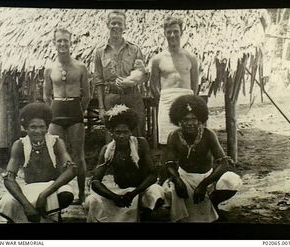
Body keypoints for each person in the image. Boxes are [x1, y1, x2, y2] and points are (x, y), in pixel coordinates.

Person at [162, 95, 242, 222]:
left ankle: (213, 204)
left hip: (207, 178)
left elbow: (224, 163)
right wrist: (177, 180)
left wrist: (204, 184)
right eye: (185, 119)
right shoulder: (174, 136)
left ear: (200, 119)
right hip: (185, 179)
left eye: (193, 119)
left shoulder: (208, 134)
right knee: (168, 190)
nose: (189, 123)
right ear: (179, 121)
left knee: (231, 181)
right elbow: (169, 163)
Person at [84, 105, 165, 222]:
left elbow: (153, 175)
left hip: (142, 189)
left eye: (125, 132)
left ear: (130, 131)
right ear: (111, 132)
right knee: (92, 201)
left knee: (155, 193)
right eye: (118, 132)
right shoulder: (107, 150)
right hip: (121, 193)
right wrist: (114, 197)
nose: (122, 136)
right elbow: (96, 181)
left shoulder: (141, 144)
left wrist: (134, 193)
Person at [0, 103, 77, 223]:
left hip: (52, 186)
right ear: (26, 128)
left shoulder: (56, 142)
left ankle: (51, 216)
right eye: (33, 127)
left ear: (47, 128)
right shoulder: (19, 145)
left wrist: (44, 195)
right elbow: (8, 178)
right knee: (8, 202)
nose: (38, 131)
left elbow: (71, 170)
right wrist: (26, 205)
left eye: (42, 127)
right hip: (30, 187)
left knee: (66, 194)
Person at [149, 16, 199, 181]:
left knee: (188, 140)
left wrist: (190, 103)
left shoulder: (191, 57)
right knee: (166, 143)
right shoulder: (158, 59)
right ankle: (163, 182)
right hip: (167, 101)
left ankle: (186, 179)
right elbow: (153, 85)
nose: (172, 35)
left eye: (175, 32)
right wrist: (163, 100)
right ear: (164, 33)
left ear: (181, 32)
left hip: (186, 100)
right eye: (169, 32)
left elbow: (195, 85)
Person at [43, 28, 90, 204]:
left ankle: (82, 194)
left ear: (71, 43)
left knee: (78, 155)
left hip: (74, 110)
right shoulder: (49, 68)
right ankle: (58, 191)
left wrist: (80, 111)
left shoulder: (80, 67)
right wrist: (52, 111)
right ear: (54, 43)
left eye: (66, 41)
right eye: (59, 41)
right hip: (56, 111)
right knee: (55, 154)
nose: (63, 44)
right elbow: (46, 95)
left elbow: (87, 95)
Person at [94, 10, 147, 138]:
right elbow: (99, 81)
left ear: (125, 27)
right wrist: (101, 108)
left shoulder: (134, 49)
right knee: (112, 138)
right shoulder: (100, 52)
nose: (116, 26)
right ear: (108, 25)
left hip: (132, 96)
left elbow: (141, 73)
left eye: (119, 23)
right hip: (111, 98)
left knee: (137, 135)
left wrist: (129, 81)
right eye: (113, 23)